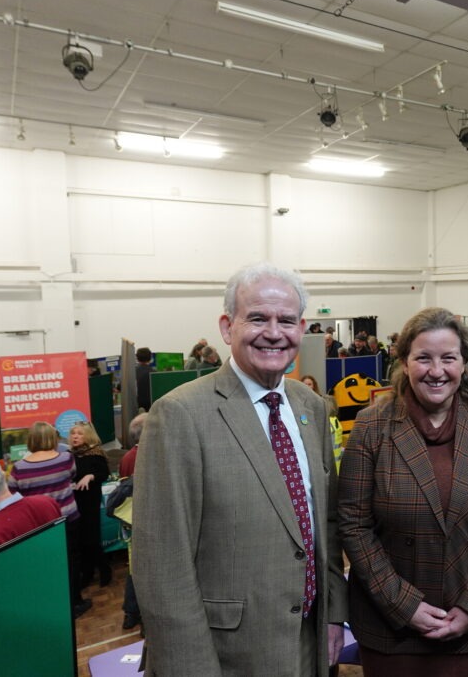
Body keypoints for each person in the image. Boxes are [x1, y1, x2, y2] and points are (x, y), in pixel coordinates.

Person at [133, 262, 346, 675]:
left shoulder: (312, 408)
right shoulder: (179, 415)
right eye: (258, 318)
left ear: (301, 329)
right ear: (227, 327)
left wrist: (333, 614)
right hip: (227, 655)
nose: (274, 332)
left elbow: (328, 523)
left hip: (311, 641)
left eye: (286, 320)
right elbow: (162, 563)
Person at [338, 307, 468, 676]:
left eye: (448, 358)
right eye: (423, 358)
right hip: (392, 631)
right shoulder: (371, 427)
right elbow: (353, 525)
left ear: (463, 363)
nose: (436, 371)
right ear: (404, 362)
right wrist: (405, 605)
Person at [8, 421, 90, 617]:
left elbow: (13, 493)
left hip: (38, 525)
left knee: (44, 565)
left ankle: (50, 604)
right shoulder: (66, 458)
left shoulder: (18, 467)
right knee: (71, 561)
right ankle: (75, 603)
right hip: (68, 518)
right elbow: (72, 475)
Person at [69, 421, 111, 589]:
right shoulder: (70, 455)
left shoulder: (96, 454)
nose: (75, 437)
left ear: (88, 436)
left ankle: (104, 569)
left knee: (92, 539)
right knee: (80, 540)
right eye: (73, 433)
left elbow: (104, 474)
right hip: (74, 501)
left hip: (90, 502)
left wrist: (90, 476)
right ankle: (87, 573)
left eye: (79, 433)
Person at [117, 412, 148, 630]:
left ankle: (131, 613)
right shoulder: (151, 454)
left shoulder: (127, 458)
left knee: (134, 568)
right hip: (146, 520)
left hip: (131, 521)